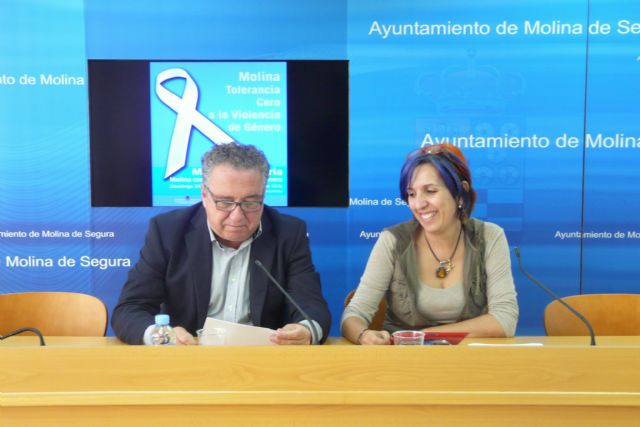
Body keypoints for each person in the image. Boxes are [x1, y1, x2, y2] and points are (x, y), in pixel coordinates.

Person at [112, 143, 331, 345]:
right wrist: (163, 336)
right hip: (189, 356)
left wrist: (306, 330)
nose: (237, 216)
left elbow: (311, 307)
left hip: (262, 359)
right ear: (204, 195)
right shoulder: (168, 231)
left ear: (263, 197)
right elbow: (130, 309)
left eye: (250, 203)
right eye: (225, 202)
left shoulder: (288, 233)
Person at [342, 144, 518, 344]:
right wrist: (363, 335)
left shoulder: (489, 236)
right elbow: (354, 314)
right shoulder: (392, 240)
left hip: (468, 357)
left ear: (460, 194)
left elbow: (504, 320)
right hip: (403, 358)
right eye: (412, 194)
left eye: (430, 191)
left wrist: (425, 336)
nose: (419, 204)